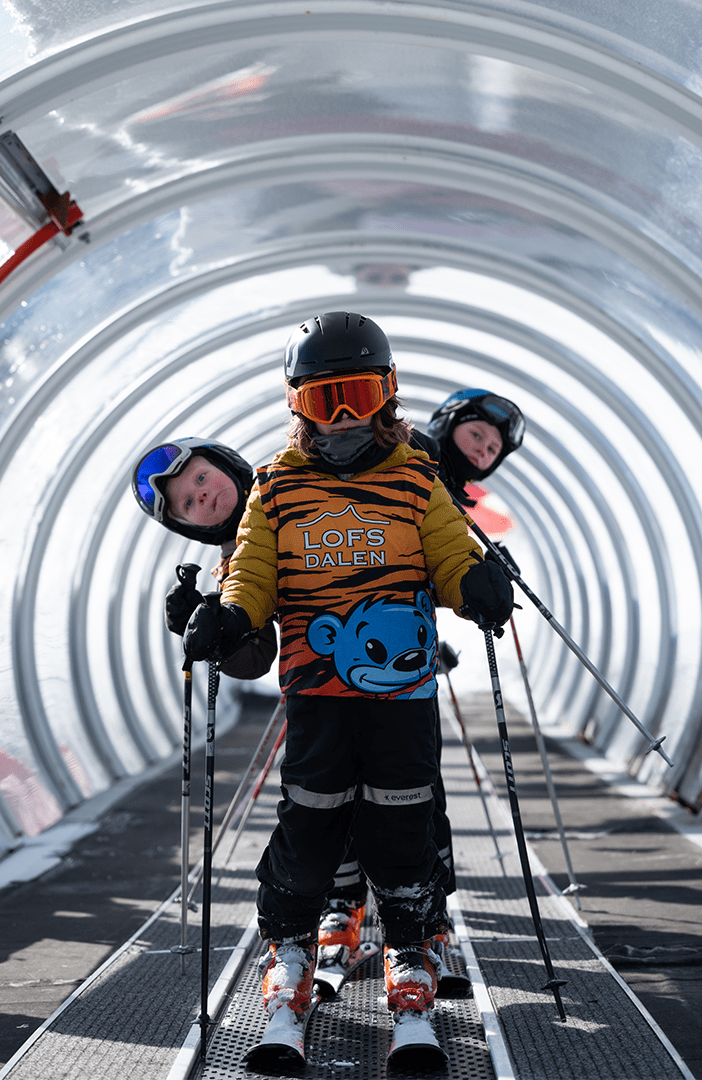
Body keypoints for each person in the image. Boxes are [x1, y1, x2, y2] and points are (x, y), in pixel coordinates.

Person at [182, 311, 513, 1051]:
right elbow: (253, 577)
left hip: (401, 701)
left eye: (357, 396)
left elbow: (450, 556)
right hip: (319, 699)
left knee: (402, 831)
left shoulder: (415, 479)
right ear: (296, 404)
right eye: (322, 400)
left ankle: (410, 954)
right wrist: (230, 619)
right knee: (310, 828)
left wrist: (477, 585)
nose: (340, 418)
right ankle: (292, 953)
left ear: (386, 396)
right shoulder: (276, 487)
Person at [320, 387, 527, 982]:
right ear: (449, 422)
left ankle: (416, 915)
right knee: (342, 788)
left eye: (492, 448)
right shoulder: (412, 454)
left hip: (402, 665)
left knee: (414, 791)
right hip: (342, 653)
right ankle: (346, 909)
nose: (483, 448)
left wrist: (475, 582)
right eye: (477, 433)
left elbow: (427, 568)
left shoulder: (457, 503)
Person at [130, 437, 277, 680]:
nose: (201, 494)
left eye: (201, 478)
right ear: (190, 527)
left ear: (226, 464)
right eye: (188, 503)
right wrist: (213, 632)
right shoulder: (234, 572)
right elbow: (255, 658)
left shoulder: (287, 490)